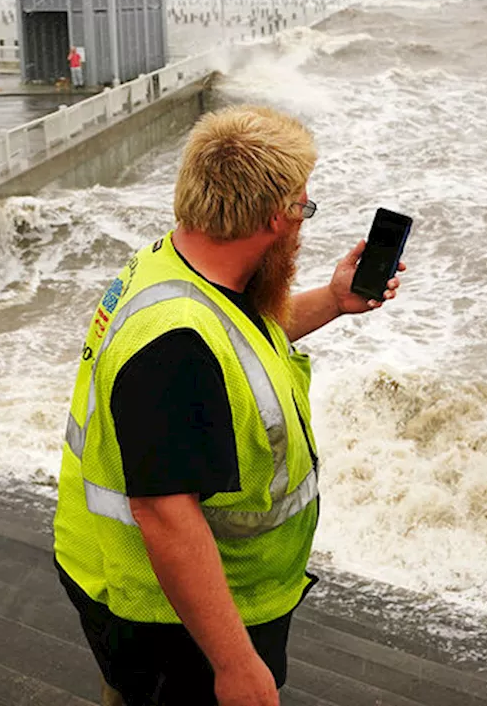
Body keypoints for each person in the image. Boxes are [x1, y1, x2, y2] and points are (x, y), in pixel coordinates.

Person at [53, 106, 406, 706]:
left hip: (137, 587)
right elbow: (165, 513)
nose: (303, 220)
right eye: (303, 206)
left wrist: (334, 300)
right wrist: (236, 663)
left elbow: (237, 345)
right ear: (277, 217)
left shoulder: (175, 263)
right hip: (172, 621)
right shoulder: (175, 345)